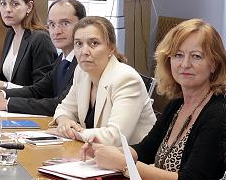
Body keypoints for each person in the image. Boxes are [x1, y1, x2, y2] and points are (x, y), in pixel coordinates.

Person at [82, 19, 226, 180]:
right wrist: (107, 151)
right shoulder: (178, 104)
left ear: (214, 63)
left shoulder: (220, 113)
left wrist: (125, 165)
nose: (185, 64)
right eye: (178, 55)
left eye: (196, 56)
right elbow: (145, 150)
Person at [51, 16, 156, 144]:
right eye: (79, 43)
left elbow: (115, 137)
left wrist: (74, 133)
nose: (84, 51)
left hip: (130, 159)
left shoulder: (126, 79)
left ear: (111, 48)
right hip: (95, 153)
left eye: (94, 43)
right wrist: (64, 122)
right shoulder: (81, 71)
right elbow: (64, 108)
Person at [0, 0, 85, 115]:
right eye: (52, 24)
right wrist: (1, 94)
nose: (56, 31)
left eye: (65, 23)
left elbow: (60, 103)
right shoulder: (62, 59)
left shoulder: (84, 62)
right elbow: (38, 90)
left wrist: (8, 104)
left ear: (82, 25)